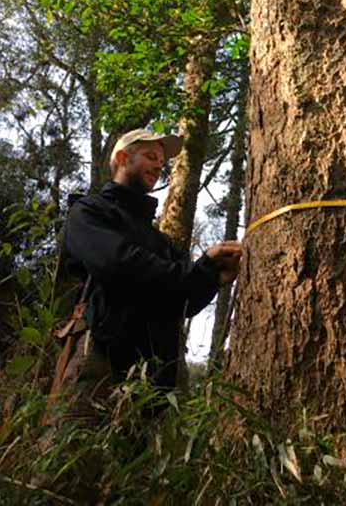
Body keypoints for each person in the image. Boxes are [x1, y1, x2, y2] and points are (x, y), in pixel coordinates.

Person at [60, 128, 242, 412]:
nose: (160, 165)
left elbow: (183, 299)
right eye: (151, 156)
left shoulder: (160, 241)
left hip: (153, 382)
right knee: (81, 454)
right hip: (102, 362)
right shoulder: (89, 212)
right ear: (122, 158)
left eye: (162, 161)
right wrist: (200, 268)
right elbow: (119, 264)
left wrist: (212, 277)